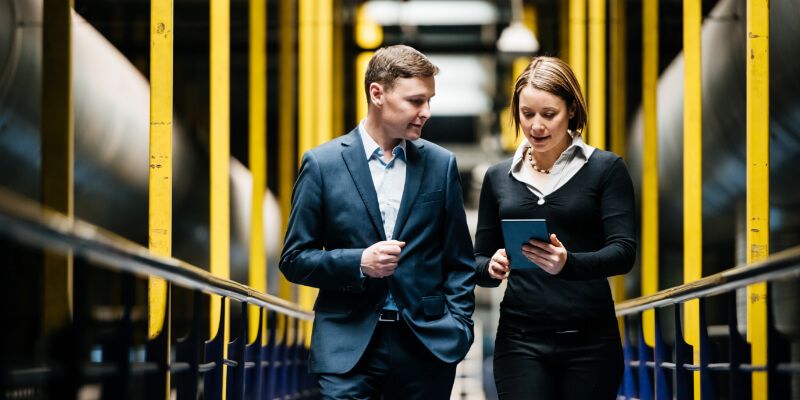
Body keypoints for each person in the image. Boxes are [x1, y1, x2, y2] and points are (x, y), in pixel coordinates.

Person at [279, 45, 476, 399]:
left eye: (430, 101)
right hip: (346, 349)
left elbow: (459, 260)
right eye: (416, 101)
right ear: (377, 93)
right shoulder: (322, 165)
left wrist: (459, 326)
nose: (426, 112)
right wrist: (358, 262)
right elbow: (294, 259)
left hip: (425, 347)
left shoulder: (441, 165)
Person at [474, 56, 636, 400]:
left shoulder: (606, 169)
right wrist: (490, 267)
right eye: (527, 114)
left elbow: (623, 252)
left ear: (572, 110)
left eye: (549, 114)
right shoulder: (498, 177)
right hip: (520, 340)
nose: (536, 126)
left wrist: (568, 263)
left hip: (590, 340)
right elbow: (476, 259)